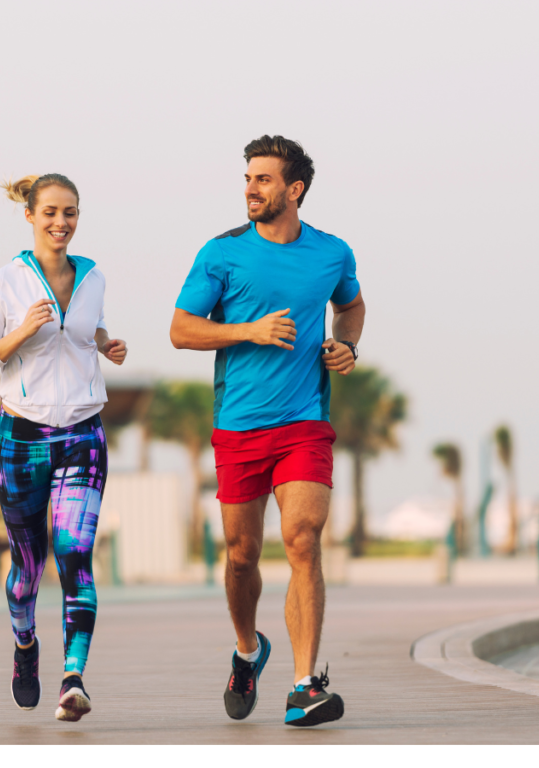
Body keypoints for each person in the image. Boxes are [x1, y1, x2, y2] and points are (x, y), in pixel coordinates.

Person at [170, 135, 365, 727]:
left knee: (303, 539)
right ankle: (248, 650)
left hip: (305, 422)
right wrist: (249, 331)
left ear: (294, 189)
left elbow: (351, 306)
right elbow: (181, 329)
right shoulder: (222, 254)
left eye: (263, 179)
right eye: (248, 178)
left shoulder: (332, 253)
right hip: (239, 426)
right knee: (241, 556)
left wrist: (346, 344)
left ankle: (306, 684)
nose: (251, 189)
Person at [0, 173, 127, 722]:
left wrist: (108, 343)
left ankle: (74, 677)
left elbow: (89, 328)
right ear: (30, 215)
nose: (62, 223)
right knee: (28, 568)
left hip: (83, 432)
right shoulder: (3, 284)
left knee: (75, 555)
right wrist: (19, 334)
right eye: (52, 212)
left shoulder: (93, 277)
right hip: (22, 439)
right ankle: (26, 645)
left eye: (71, 213)